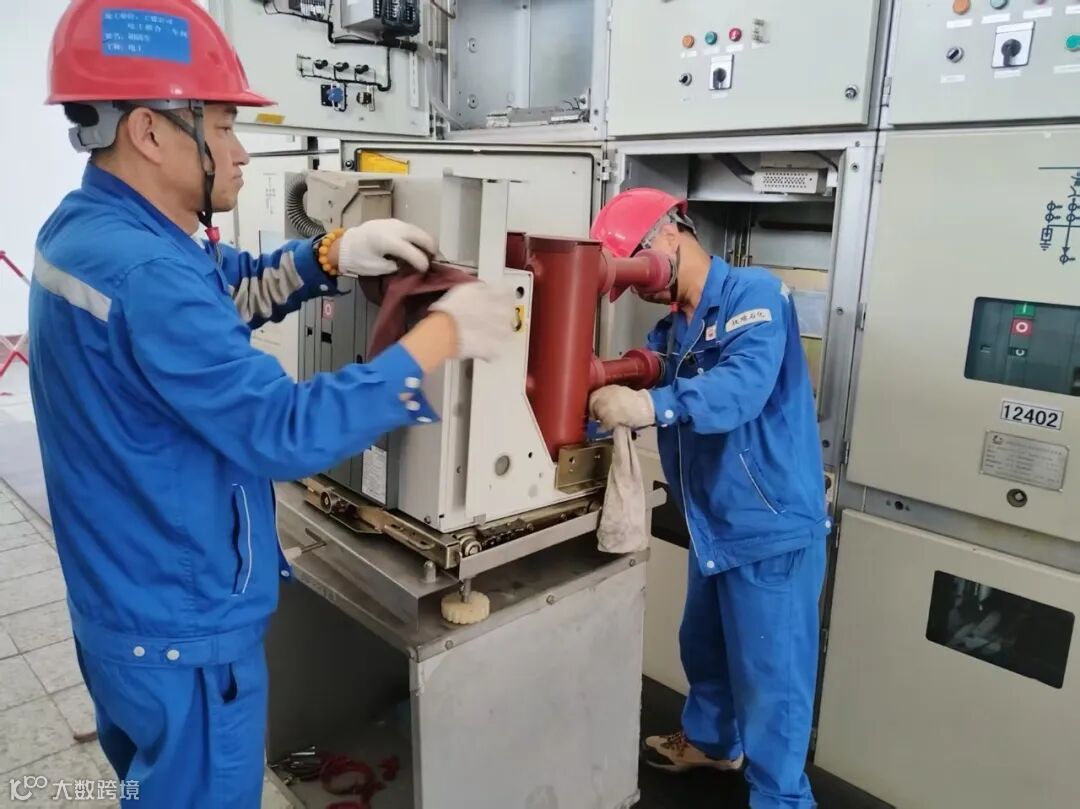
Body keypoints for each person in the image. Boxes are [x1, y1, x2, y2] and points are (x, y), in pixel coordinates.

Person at [30, 1, 512, 806]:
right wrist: (440, 338)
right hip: (184, 633)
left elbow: (219, 295)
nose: (241, 150)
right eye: (221, 126)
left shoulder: (88, 232)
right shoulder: (147, 274)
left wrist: (328, 254)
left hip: (121, 607)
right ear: (148, 131)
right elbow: (283, 430)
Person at [589, 188, 829, 809]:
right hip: (714, 522)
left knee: (772, 678)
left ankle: (781, 798)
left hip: (769, 524)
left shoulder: (756, 294)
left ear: (671, 233)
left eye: (638, 270)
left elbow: (740, 388)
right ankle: (713, 743)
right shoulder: (673, 329)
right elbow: (648, 377)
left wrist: (650, 405)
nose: (639, 288)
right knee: (705, 646)